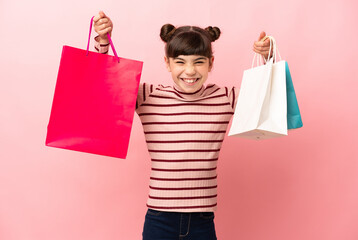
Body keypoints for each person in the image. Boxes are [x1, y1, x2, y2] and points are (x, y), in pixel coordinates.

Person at [92, 10, 273, 240]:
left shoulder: (225, 97)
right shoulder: (149, 96)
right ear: (167, 63)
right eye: (180, 62)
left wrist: (268, 59)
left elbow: (266, 99)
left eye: (199, 62)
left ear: (211, 63)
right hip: (159, 219)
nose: (190, 71)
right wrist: (103, 42)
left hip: (203, 220)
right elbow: (103, 84)